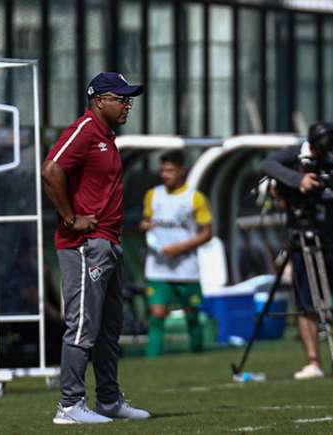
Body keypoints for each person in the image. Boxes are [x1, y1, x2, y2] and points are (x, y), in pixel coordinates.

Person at [42, 72, 150, 425]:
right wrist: (71, 219)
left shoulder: (106, 136)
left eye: (129, 98)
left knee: (108, 327)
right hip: (85, 245)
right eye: (121, 98)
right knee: (82, 325)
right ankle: (69, 405)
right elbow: (51, 170)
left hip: (109, 243)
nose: (127, 104)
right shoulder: (85, 129)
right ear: (99, 99)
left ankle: (108, 399)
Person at [261, 121, 333, 380]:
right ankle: (314, 362)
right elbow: (266, 165)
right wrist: (299, 179)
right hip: (304, 236)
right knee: (306, 301)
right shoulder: (292, 155)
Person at [140, 150, 212, 358]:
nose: (165, 174)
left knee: (192, 314)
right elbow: (147, 222)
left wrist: (179, 248)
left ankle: (199, 355)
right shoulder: (153, 195)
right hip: (158, 267)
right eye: (162, 170)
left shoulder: (195, 198)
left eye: (170, 170)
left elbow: (207, 233)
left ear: (181, 171)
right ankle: (151, 360)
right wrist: (145, 225)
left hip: (186, 269)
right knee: (156, 315)